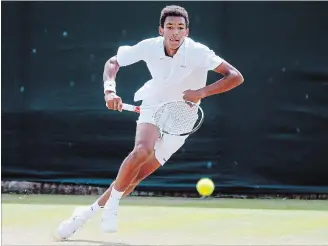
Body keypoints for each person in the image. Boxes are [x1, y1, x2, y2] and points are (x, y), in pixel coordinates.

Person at [56, 5, 244, 240]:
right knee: (142, 150)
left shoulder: (199, 51)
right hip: (154, 103)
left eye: (180, 28)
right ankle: (112, 207)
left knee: (134, 179)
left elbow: (235, 76)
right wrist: (109, 91)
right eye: (170, 27)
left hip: (183, 117)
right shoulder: (149, 47)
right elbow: (113, 63)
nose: (175, 32)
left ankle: (85, 215)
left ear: (187, 31)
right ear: (161, 30)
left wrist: (201, 92)